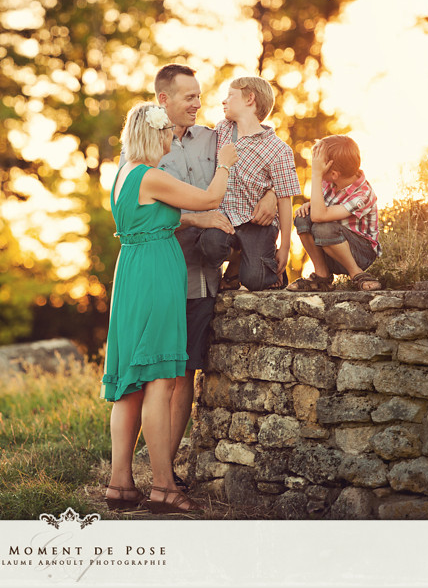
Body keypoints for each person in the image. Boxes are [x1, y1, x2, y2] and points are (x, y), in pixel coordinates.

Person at [103, 101, 238, 515]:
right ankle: (163, 486)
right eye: (166, 135)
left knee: (131, 383)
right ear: (156, 135)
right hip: (156, 276)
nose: (170, 141)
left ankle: (120, 485)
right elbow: (211, 197)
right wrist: (226, 163)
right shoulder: (151, 175)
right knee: (162, 381)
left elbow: (156, 218)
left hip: (130, 273)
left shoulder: (123, 175)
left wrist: (193, 222)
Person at [154, 64, 277, 492]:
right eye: (189, 96)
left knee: (185, 374)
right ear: (163, 99)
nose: (198, 103)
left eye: (200, 95)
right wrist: (196, 216)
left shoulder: (214, 135)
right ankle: (136, 474)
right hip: (160, 273)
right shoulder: (144, 147)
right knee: (154, 378)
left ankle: (164, 477)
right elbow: (140, 207)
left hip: (202, 278)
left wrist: (269, 193)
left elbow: (265, 139)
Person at [196, 76, 300, 293]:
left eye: (230, 96)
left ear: (250, 99)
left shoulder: (278, 149)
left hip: (257, 223)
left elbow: (285, 199)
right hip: (225, 217)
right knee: (209, 246)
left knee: (255, 280)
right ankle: (240, 256)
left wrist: (285, 247)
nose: (223, 101)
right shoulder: (223, 130)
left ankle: (260, 267)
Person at [285, 135, 382, 291]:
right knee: (302, 218)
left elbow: (320, 216)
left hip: (360, 253)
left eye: (319, 166)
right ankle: (322, 275)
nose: (315, 168)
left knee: (322, 227)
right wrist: (309, 205)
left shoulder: (363, 195)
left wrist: (315, 174)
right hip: (330, 247)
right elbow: (319, 210)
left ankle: (356, 273)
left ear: (334, 174)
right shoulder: (330, 181)